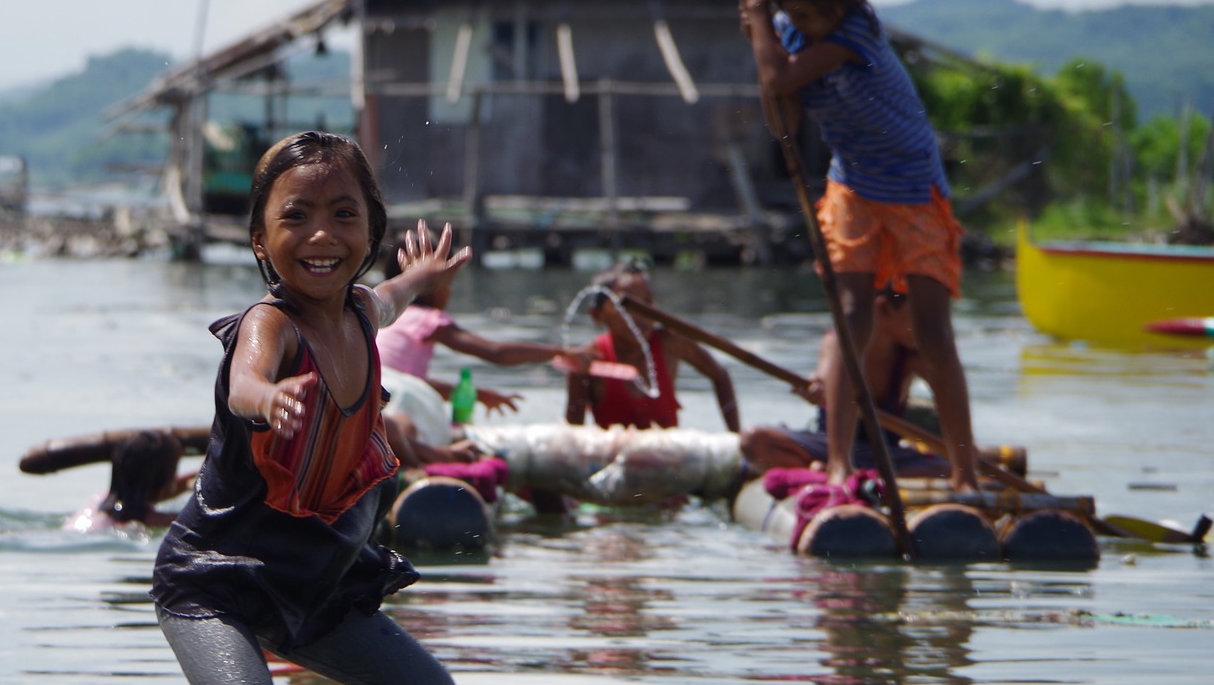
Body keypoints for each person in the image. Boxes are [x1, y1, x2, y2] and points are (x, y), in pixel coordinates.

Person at [30, 131, 464, 685]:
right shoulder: (270, 326)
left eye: (343, 214)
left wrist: (418, 277)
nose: (321, 233)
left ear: (371, 232)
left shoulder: (359, 310)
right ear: (260, 240)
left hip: (315, 581)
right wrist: (266, 399)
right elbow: (244, 378)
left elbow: (388, 299)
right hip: (216, 582)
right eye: (296, 215)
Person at [731, 0, 978, 491]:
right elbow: (782, 122)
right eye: (795, 16)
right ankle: (839, 461)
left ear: (844, 0)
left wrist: (756, 11)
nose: (808, 25)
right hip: (852, 185)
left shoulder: (855, 31)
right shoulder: (789, 37)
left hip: (912, 186)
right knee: (850, 316)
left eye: (817, 13)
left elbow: (780, 79)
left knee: (933, 330)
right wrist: (763, 36)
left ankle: (966, 475)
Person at [741, 290, 949, 478]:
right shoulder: (836, 341)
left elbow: (948, 400)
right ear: (883, 308)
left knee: (947, 469)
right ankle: (835, 471)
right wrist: (817, 388)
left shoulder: (914, 356)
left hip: (886, 455)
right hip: (830, 448)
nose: (924, 325)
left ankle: (840, 474)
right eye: (916, 315)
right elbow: (821, 377)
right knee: (754, 441)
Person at [375, 251, 581, 440]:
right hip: (394, 402)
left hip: (377, 397)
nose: (450, 293)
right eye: (448, 284)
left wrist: (480, 395)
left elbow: (407, 383)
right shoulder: (428, 319)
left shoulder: (391, 318)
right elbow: (496, 352)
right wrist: (562, 352)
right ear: (432, 287)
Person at [563, 261, 740, 432]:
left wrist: (735, 437)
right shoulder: (588, 360)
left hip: (666, 456)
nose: (642, 314)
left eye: (647, 302)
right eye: (629, 305)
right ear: (598, 315)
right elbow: (572, 437)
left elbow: (720, 375)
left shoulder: (671, 343)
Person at [63, 430, 195, 533]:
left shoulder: (99, 499)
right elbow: (194, 519)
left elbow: (160, 491)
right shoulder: (146, 520)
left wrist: (197, 476)